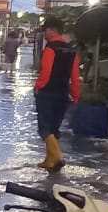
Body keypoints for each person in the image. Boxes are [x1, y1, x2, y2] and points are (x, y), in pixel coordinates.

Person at [34, 18, 81, 171]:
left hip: (47, 92)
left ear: (52, 30)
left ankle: (57, 157)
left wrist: (38, 87)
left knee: (44, 128)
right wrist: (75, 94)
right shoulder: (72, 51)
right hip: (63, 93)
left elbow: (45, 72)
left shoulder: (50, 49)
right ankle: (49, 160)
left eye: (46, 30)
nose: (45, 33)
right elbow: (75, 76)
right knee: (54, 128)